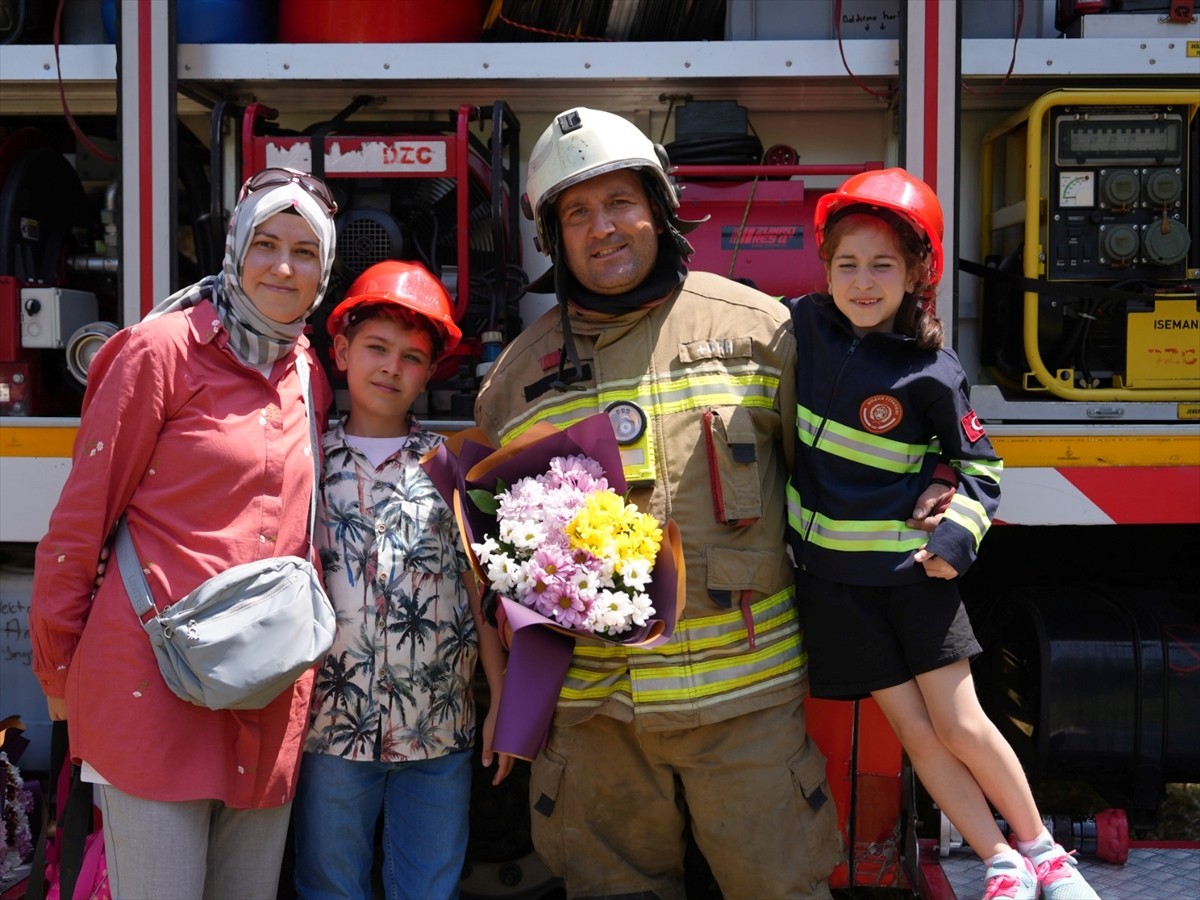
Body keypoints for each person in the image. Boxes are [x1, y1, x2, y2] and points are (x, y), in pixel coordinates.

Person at [471, 105, 849, 900]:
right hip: (596, 724)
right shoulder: (516, 380)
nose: (602, 228)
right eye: (577, 212)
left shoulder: (756, 333)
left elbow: (838, 482)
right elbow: (493, 569)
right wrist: (512, 700)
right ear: (552, 236)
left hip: (744, 712)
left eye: (619, 203)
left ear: (660, 208)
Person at [784, 167, 1100, 900]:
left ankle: (1048, 854)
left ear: (917, 273)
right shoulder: (799, 327)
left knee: (960, 726)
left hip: (910, 579)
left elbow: (982, 471)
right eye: (847, 264)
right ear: (825, 269)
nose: (863, 283)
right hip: (835, 587)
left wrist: (951, 541)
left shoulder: (932, 369)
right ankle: (999, 861)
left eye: (882, 266)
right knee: (917, 738)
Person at [28, 167, 338, 900]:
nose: (283, 268)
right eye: (266, 243)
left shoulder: (307, 373)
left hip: (265, 699)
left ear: (324, 274)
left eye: (305, 252)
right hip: (151, 693)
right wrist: (57, 673)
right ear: (234, 248)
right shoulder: (159, 352)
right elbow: (79, 525)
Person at [293, 260, 512, 900]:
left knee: (429, 887)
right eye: (377, 348)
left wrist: (501, 700)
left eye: (412, 357)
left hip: (438, 733)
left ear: (432, 371)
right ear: (340, 350)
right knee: (330, 886)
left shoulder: (450, 470)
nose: (392, 367)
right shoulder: (303, 463)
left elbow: (479, 595)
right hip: (330, 732)